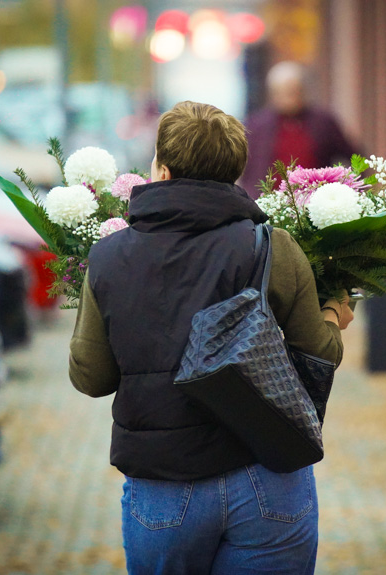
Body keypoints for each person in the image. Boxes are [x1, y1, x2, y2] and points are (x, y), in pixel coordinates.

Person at [68, 101, 354, 574]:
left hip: (164, 487)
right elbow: (320, 354)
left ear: (161, 168)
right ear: (236, 172)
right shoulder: (271, 245)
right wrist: (331, 314)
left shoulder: (109, 255)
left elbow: (92, 378)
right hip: (268, 476)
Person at [240, 61, 357, 198]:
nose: (290, 98)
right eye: (284, 92)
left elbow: (352, 156)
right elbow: (244, 166)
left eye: (294, 91)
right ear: (273, 93)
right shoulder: (257, 126)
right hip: (269, 203)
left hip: (316, 202)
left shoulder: (323, 122)